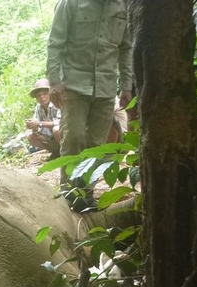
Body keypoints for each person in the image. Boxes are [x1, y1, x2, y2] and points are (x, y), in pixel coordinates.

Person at [47, 0, 133, 211]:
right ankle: (69, 194)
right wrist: (54, 81)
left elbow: (125, 48)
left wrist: (127, 86)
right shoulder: (70, 4)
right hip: (74, 86)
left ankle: (85, 196)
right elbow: (55, 42)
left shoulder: (122, 7)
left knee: (96, 144)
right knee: (74, 137)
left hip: (106, 87)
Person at [25, 78, 61, 159]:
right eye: (39, 95)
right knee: (30, 136)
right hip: (50, 138)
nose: (42, 97)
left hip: (63, 136)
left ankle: (66, 152)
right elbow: (36, 125)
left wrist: (40, 123)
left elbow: (60, 122)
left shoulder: (58, 103)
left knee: (56, 129)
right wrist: (32, 125)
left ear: (50, 94)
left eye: (45, 94)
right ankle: (55, 152)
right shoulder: (38, 107)